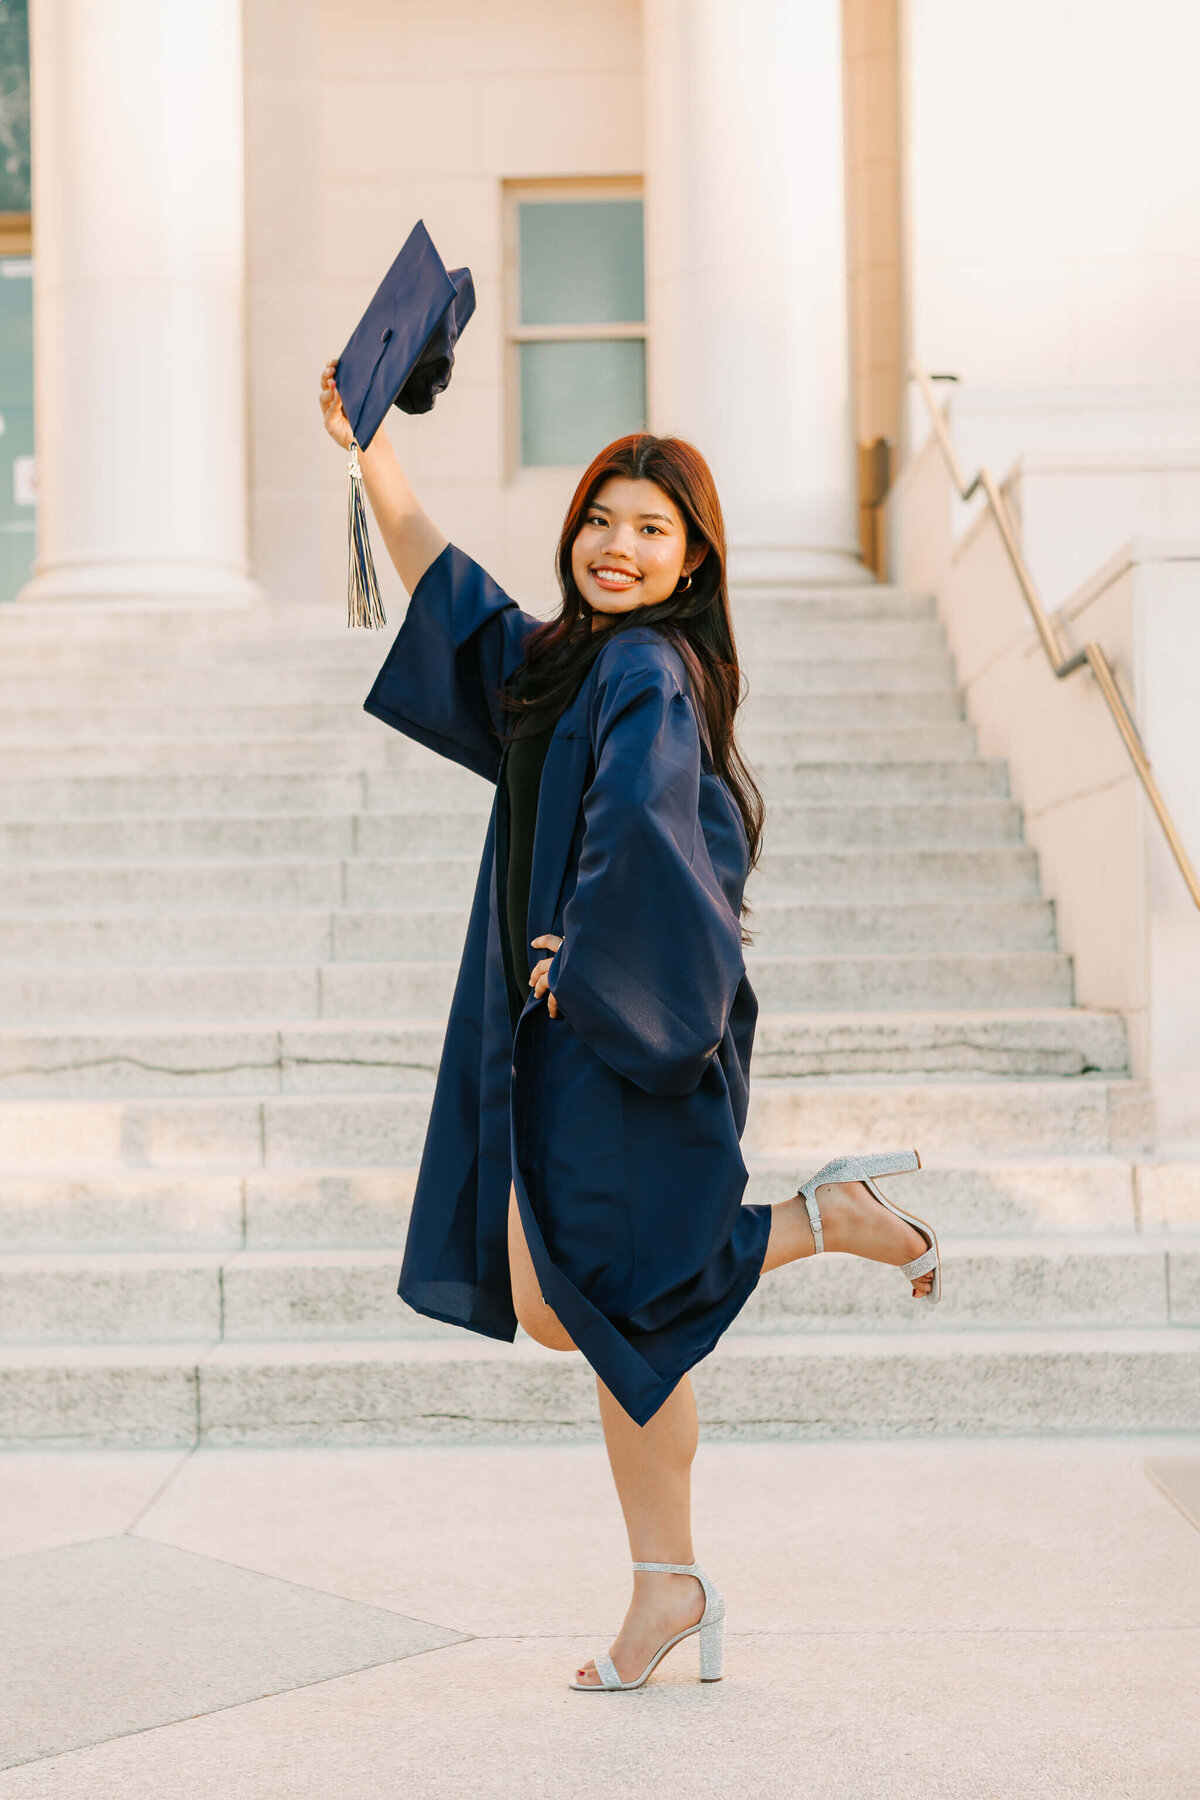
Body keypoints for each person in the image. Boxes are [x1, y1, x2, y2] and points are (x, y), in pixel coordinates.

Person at [319, 360, 941, 1692]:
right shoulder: (570, 663)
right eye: (603, 518)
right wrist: (368, 449)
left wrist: (572, 962)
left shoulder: (648, 673)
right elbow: (451, 598)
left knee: (593, 1302)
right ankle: (676, 1564)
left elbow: (649, 830)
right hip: (586, 1029)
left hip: (625, 1026)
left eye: (651, 528)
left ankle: (677, 1565)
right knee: (589, 1309)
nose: (618, 544)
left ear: (693, 559)